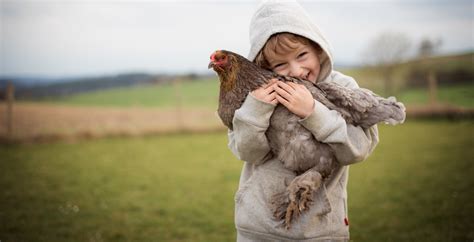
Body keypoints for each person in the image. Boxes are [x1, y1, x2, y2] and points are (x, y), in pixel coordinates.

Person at [227, 1, 379, 241]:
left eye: (302, 55)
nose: (296, 70)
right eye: (280, 64)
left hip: (320, 231)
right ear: (264, 66)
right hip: (256, 229)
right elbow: (249, 153)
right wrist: (256, 110)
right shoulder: (255, 97)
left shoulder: (344, 88)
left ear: (318, 49)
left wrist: (314, 113)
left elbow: (358, 149)